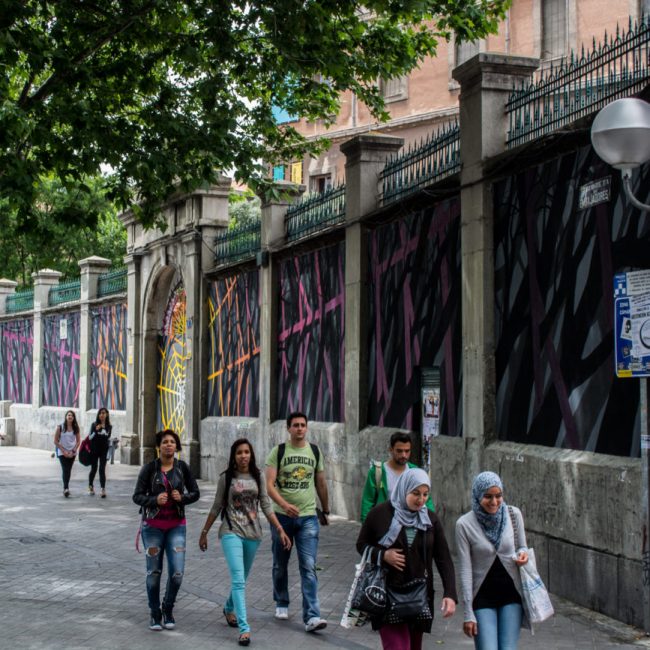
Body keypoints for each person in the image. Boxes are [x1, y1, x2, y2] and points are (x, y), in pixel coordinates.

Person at [199, 439, 292, 646]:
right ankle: (244, 629)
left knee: (242, 578)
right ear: (234, 456)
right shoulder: (226, 478)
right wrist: (204, 532)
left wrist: (280, 529)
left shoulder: (259, 476)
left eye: (246, 452)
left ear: (251, 455)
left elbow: (266, 506)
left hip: (253, 534)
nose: (243, 456)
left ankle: (228, 607)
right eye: (239, 452)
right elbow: (216, 506)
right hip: (231, 531)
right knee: (239, 580)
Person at [356, 467, 457, 650]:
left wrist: (450, 593)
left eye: (425, 494)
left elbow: (444, 559)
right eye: (415, 493)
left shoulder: (430, 520)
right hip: (387, 595)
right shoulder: (380, 514)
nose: (421, 499)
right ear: (404, 489)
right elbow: (361, 545)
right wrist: (383, 555)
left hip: (418, 598)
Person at [265, 411, 330, 633]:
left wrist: (325, 509)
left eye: (303, 425)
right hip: (281, 518)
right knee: (280, 563)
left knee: (308, 566)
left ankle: (312, 616)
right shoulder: (278, 452)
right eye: (296, 425)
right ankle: (281, 601)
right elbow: (269, 486)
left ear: (306, 428)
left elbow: (321, 482)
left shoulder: (315, 452)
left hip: (308, 517)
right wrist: (284, 505)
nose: (300, 428)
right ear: (288, 428)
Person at [132, 429, 200, 631]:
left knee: (177, 572)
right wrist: (154, 500)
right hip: (152, 527)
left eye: (172, 442)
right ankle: (155, 613)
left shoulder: (182, 468)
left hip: (176, 527)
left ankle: (167, 608)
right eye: (165, 442)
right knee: (154, 572)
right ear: (158, 447)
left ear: (176, 446)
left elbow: (195, 492)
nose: (169, 445)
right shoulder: (149, 469)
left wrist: (183, 498)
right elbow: (137, 496)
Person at [455, 471, 529, 650]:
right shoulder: (464, 524)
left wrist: (523, 554)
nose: (494, 502)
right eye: (488, 496)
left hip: (511, 595)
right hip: (482, 598)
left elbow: (522, 546)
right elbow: (465, 570)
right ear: (478, 495)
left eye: (498, 496)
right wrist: (468, 612)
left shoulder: (513, 515)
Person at [360, 432, 434, 522]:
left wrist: (431, 522)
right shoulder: (377, 472)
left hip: (410, 525)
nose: (404, 455)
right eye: (399, 451)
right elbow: (367, 502)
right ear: (391, 450)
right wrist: (366, 526)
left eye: (407, 451)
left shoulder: (415, 472)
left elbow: (427, 501)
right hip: (384, 524)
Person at [54, 410, 81, 497]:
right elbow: (55, 441)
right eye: (68, 415)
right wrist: (64, 451)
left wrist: (73, 451)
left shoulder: (76, 428)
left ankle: (66, 488)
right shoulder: (60, 427)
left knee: (68, 470)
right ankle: (66, 488)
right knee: (65, 469)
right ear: (66, 417)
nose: (70, 417)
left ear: (73, 418)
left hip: (72, 452)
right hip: (62, 452)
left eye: (72, 415)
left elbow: (78, 441)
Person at [88, 407, 112, 497]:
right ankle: (90, 486)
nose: (102, 415)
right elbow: (90, 437)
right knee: (94, 469)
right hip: (94, 450)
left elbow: (107, 437)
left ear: (107, 415)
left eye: (103, 413)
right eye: (100, 413)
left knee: (102, 469)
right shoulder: (94, 424)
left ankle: (103, 489)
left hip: (104, 450)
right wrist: (96, 430)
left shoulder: (109, 426)